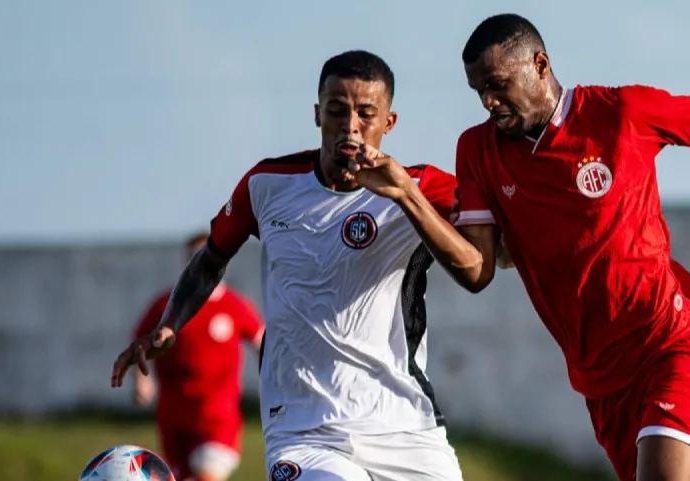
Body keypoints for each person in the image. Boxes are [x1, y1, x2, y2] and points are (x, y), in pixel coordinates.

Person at [344, 13, 690, 481]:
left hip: (673, 345)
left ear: (541, 65)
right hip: (602, 383)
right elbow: (477, 271)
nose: (488, 101)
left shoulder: (621, 113)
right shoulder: (478, 151)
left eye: (498, 85)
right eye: (478, 91)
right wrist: (406, 193)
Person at [111, 50, 466, 481]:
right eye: (336, 110)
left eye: (366, 114)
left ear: (388, 122)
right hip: (303, 428)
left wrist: (407, 196)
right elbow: (210, 261)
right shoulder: (267, 185)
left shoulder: (423, 186)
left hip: (404, 426)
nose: (350, 126)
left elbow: (484, 260)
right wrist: (169, 325)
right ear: (317, 114)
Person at [130, 232, 265, 481]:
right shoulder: (166, 307)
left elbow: (261, 340)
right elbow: (140, 343)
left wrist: (275, 378)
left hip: (218, 418)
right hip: (174, 417)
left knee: (207, 476)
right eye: (196, 258)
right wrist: (141, 379)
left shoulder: (234, 306)